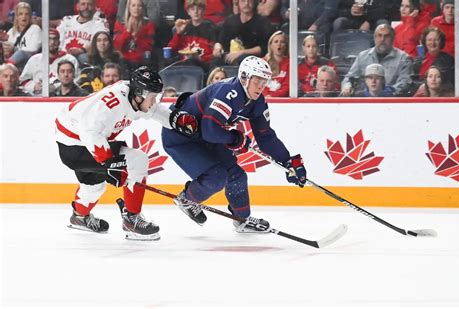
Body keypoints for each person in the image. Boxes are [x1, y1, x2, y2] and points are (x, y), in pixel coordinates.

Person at [161, 56, 307, 232]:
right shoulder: (228, 91)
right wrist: (234, 139)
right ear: (244, 77)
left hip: (206, 135)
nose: (261, 86)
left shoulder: (257, 101)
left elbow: (266, 136)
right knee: (216, 177)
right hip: (180, 137)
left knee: (236, 176)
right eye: (258, 80)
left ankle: (242, 220)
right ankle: (187, 198)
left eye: (265, 81)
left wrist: (287, 161)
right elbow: (210, 130)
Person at [55, 66, 198, 240]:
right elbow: (89, 132)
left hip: (81, 139)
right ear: (139, 94)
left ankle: (79, 217)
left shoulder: (135, 95)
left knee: (94, 183)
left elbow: (153, 110)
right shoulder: (111, 105)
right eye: (153, 97)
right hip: (75, 144)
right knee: (137, 161)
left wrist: (175, 119)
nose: (155, 102)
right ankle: (132, 219)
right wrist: (109, 162)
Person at [340, 24, 413, 97]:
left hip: (391, 100)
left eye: (386, 36)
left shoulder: (403, 58)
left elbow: (405, 82)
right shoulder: (362, 56)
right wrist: (347, 86)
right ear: (374, 38)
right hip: (365, 100)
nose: (382, 39)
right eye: (379, 35)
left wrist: (390, 92)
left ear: (393, 39)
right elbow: (349, 77)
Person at [212, 0, 275, 65]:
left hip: (253, 60)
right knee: (216, 61)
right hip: (230, 57)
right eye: (243, 0)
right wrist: (217, 47)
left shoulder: (262, 22)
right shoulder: (230, 21)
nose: (246, 3)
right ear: (238, 2)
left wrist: (241, 52)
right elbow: (221, 41)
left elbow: (263, 48)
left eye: (249, 1)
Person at [20, 28, 79, 96]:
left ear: (59, 42)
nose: (52, 42)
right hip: (37, 99)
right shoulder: (34, 59)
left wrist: (59, 87)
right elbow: (23, 81)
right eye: (49, 39)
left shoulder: (70, 59)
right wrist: (34, 86)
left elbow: (76, 82)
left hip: (62, 99)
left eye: (55, 39)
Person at [167, 0, 218, 69]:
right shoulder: (184, 27)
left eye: (199, 9)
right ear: (188, 12)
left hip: (202, 65)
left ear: (203, 11)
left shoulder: (210, 28)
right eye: (192, 9)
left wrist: (199, 58)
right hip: (183, 64)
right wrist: (178, 33)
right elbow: (171, 50)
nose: (195, 12)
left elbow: (213, 55)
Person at [113, 0, 156, 72]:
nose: (136, 8)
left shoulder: (149, 24)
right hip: (125, 61)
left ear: (142, 8)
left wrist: (136, 35)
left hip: (142, 61)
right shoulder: (120, 23)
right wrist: (128, 31)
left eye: (139, 6)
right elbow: (117, 46)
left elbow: (148, 47)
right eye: (133, 5)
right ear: (129, 7)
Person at [3, 2, 42, 68]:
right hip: (14, 62)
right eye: (21, 14)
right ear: (17, 17)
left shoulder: (35, 29)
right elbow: (8, 47)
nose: (24, 16)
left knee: (20, 53)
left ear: (30, 16)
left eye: (26, 14)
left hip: (29, 61)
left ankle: (6, 67)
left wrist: (14, 49)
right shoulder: (11, 31)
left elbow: (33, 49)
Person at [262, 30, 289, 97]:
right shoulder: (262, 63)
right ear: (270, 45)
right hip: (264, 99)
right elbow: (259, 83)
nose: (279, 44)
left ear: (286, 46)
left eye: (282, 42)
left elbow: (287, 86)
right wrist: (266, 96)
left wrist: (273, 96)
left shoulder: (290, 63)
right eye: (276, 41)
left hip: (282, 100)